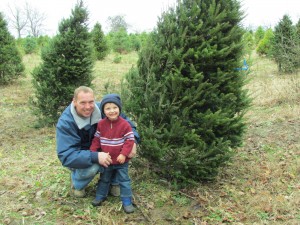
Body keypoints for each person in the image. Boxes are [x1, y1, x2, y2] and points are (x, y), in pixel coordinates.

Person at [56, 86, 140, 198]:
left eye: (91, 102)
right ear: (74, 102)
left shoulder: (105, 108)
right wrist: (95, 156)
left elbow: (126, 123)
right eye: (83, 103)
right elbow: (66, 155)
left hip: (105, 148)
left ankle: (114, 181)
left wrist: (133, 140)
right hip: (83, 154)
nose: (88, 107)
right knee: (93, 166)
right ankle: (77, 183)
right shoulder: (66, 122)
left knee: (122, 149)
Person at [90, 94, 135, 213]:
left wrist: (124, 154)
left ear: (119, 109)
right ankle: (100, 196)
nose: (112, 111)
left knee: (124, 180)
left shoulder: (125, 124)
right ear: (103, 111)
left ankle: (127, 201)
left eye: (115, 107)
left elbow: (130, 140)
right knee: (104, 179)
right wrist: (93, 152)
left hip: (121, 160)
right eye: (108, 108)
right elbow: (97, 139)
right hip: (107, 159)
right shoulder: (101, 124)